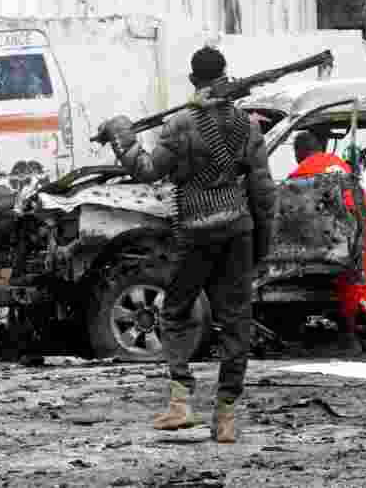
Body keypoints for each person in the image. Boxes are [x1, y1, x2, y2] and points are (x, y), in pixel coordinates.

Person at [98, 46, 277, 443]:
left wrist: (123, 136)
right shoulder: (247, 126)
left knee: (177, 313)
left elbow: (146, 171)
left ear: (193, 80)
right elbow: (264, 193)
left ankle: (180, 403)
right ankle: (226, 417)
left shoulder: (180, 124)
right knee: (236, 323)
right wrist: (262, 244)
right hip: (238, 230)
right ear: (225, 75)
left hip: (195, 229)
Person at [289, 131, 366, 364]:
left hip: (356, 226)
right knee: (349, 282)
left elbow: (293, 210)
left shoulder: (300, 171)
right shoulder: (336, 162)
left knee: (357, 283)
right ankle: (351, 338)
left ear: (298, 154)